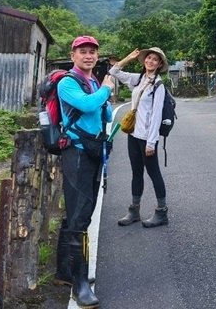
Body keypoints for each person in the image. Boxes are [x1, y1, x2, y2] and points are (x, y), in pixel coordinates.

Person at [57, 35, 115, 308]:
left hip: (93, 152)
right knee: (80, 216)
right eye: (83, 51)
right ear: (73, 55)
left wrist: (105, 100)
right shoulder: (67, 82)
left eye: (92, 51)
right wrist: (105, 90)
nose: (88, 56)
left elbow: (104, 114)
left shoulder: (91, 82)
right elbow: (90, 105)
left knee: (82, 213)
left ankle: (65, 272)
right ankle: (80, 284)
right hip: (77, 153)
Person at [110, 46, 170, 228]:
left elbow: (156, 115)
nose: (150, 61)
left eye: (155, 60)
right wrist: (128, 58)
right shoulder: (138, 79)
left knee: (154, 173)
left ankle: (162, 212)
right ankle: (134, 210)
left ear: (160, 65)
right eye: (148, 58)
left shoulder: (158, 85)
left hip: (147, 137)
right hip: (133, 134)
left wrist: (151, 142)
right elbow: (114, 71)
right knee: (136, 172)